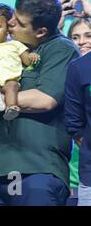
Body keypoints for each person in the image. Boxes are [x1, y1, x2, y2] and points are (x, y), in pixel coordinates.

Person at [0, 0, 79, 206]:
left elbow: (45, 99)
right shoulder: (3, 47)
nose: (11, 23)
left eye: (20, 23)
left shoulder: (61, 50)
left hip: (36, 169)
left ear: (41, 31)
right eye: (13, 16)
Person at [65, 14, 91, 206]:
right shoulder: (74, 69)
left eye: (88, 35)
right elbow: (75, 125)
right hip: (82, 173)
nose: (82, 42)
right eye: (75, 37)